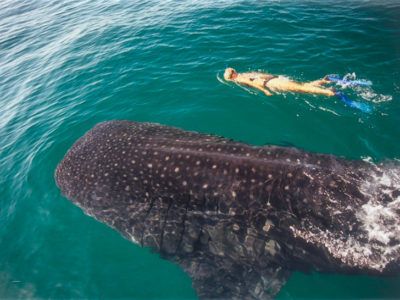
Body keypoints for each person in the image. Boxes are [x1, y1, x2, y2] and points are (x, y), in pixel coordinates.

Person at [223, 67, 335, 97]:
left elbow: (252, 83)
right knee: (302, 86)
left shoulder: (239, 79)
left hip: (272, 84)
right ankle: (323, 81)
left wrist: (265, 91)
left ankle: (328, 92)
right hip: (276, 78)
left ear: (232, 77)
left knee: (302, 89)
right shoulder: (243, 74)